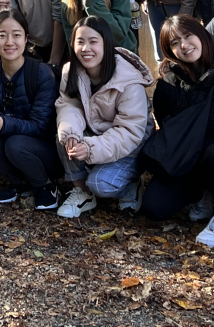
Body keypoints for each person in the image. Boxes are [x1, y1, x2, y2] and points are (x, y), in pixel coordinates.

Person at [140, 16, 214, 248]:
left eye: (188, 36)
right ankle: (200, 194)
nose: (183, 45)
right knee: (154, 209)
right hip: (184, 159)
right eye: (174, 43)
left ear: (202, 35)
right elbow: (164, 121)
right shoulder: (168, 83)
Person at [54, 17, 154, 218]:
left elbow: (130, 130)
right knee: (65, 134)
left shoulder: (128, 80)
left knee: (101, 184)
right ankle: (82, 191)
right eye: (80, 42)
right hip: (97, 131)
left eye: (93, 41)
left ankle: (131, 182)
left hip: (132, 143)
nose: (85, 48)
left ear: (106, 43)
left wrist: (91, 148)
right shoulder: (71, 70)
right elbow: (69, 104)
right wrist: (72, 133)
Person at [0, 9, 61, 210]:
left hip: (45, 150)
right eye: (2, 35)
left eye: (16, 35)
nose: (9, 42)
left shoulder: (42, 73)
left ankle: (45, 185)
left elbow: (40, 126)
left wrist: (4, 123)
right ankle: (20, 183)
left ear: (26, 39)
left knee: (16, 144)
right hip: (14, 140)